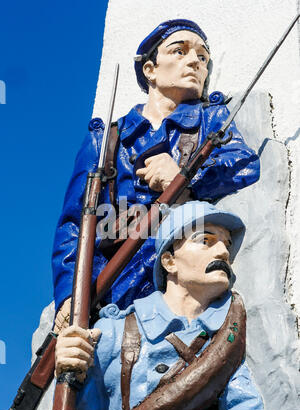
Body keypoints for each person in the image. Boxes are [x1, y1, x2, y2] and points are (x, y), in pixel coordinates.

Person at [52, 19, 260, 329]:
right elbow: (74, 224)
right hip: (113, 287)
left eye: (203, 57)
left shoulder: (210, 118)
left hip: (182, 280)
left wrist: (184, 177)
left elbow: (244, 164)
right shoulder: (107, 139)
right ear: (150, 69)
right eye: (180, 51)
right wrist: (70, 295)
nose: (194, 62)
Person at [51, 201, 294, 410]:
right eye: (206, 241)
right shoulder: (115, 331)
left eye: (227, 244)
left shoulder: (225, 336)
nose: (223, 252)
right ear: (169, 261)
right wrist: (73, 373)